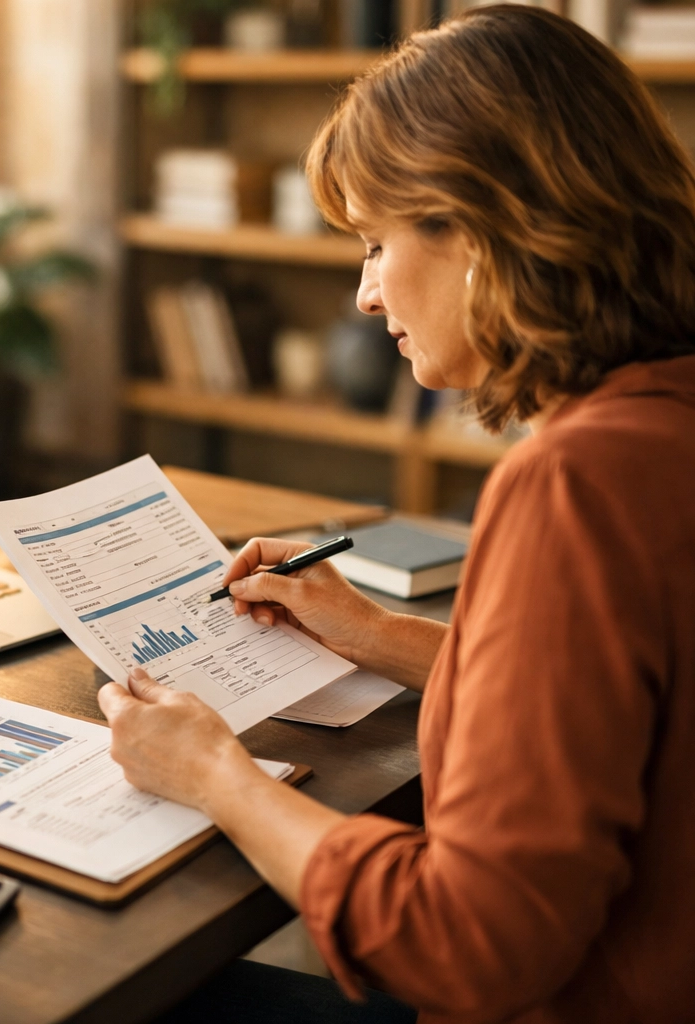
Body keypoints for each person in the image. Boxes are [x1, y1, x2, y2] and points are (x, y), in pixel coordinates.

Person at [97, 7, 695, 1023]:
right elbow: (615, 704)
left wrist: (216, 775)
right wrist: (375, 634)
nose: (367, 295)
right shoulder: (664, 423)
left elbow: (470, 944)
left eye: (377, 243)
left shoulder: (575, 483)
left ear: (480, 226)